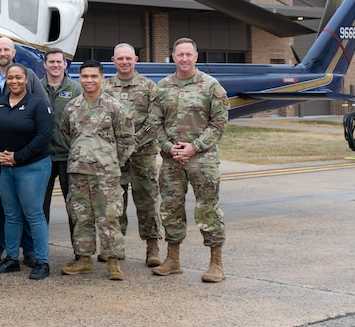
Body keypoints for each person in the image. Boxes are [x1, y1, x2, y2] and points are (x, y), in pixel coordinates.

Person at [147, 37, 230, 283]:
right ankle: (173, 260)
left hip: (202, 161)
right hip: (172, 161)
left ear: (196, 56)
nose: (184, 59)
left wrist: (194, 147)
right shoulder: (161, 87)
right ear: (173, 56)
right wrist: (169, 147)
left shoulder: (211, 86)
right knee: (170, 209)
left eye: (188, 54)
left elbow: (219, 124)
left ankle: (216, 264)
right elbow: (154, 124)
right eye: (179, 54)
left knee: (208, 210)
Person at [58, 60, 135, 280]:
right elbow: (66, 133)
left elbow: (127, 139)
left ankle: (113, 262)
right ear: (79, 78)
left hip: (106, 175)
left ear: (102, 78)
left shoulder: (114, 107)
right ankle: (83, 260)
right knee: (81, 216)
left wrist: (110, 161)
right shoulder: (72, 107)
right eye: (84, 76)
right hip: (78, 172)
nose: (89, 80)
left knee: (109, 217)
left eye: (93, 76)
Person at [0, 36, 46, 265]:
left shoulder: (30, 77)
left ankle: (31, 251)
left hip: (25, 158)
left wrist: (20, 155)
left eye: (6, 49)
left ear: (14, 52)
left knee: (27, 208)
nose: (2, 53)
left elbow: (42, 116)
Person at [0, 64, 53, 280]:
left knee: (33, 214)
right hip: (3, 167)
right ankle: (12, 258)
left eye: (18, 78)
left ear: (27, 80)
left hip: (32, 167)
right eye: (10, 78)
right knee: (11, 215)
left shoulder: (38, 105)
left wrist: (17, 157)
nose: (14, 81)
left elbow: (44, 135)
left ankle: (42, 261)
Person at [104, 42, 164, 267]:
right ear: (114, 61)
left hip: (143, 155)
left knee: (147, 202)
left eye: (128, 58)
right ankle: (116, 249)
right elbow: (103, 119)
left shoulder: (148, 87)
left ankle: (152, 247)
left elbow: (154, 120)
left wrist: (135, 142)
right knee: (116, 203)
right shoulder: (106, 88)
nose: (124, 62)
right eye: (120, 59)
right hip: (117, 157)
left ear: (135, 60)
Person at [41, 47, 81, 262]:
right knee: (40, 208)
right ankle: (39, 252)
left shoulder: (75, 89)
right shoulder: (35, 87)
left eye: (59, 62)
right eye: (51, 62)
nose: (55, 65)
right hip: (42, 158)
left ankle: (80, 252)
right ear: (45, 64)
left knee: (74, 206)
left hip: (69, 157)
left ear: (65, 65)